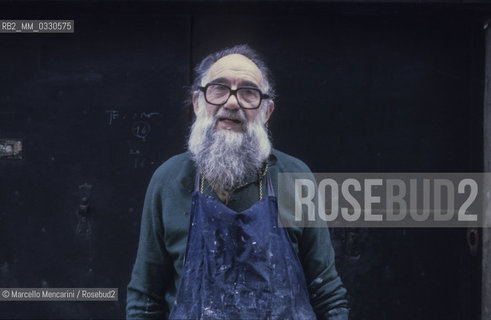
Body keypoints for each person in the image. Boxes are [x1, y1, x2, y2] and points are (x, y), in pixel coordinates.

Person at [126, 44, 349, 320]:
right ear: (198, 103)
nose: (232, 102)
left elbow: (328, 294)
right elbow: (145, 299)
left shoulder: (295, 177)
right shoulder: (169, 179)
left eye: (248, 92)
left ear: (266, 112)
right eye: (219, 88)